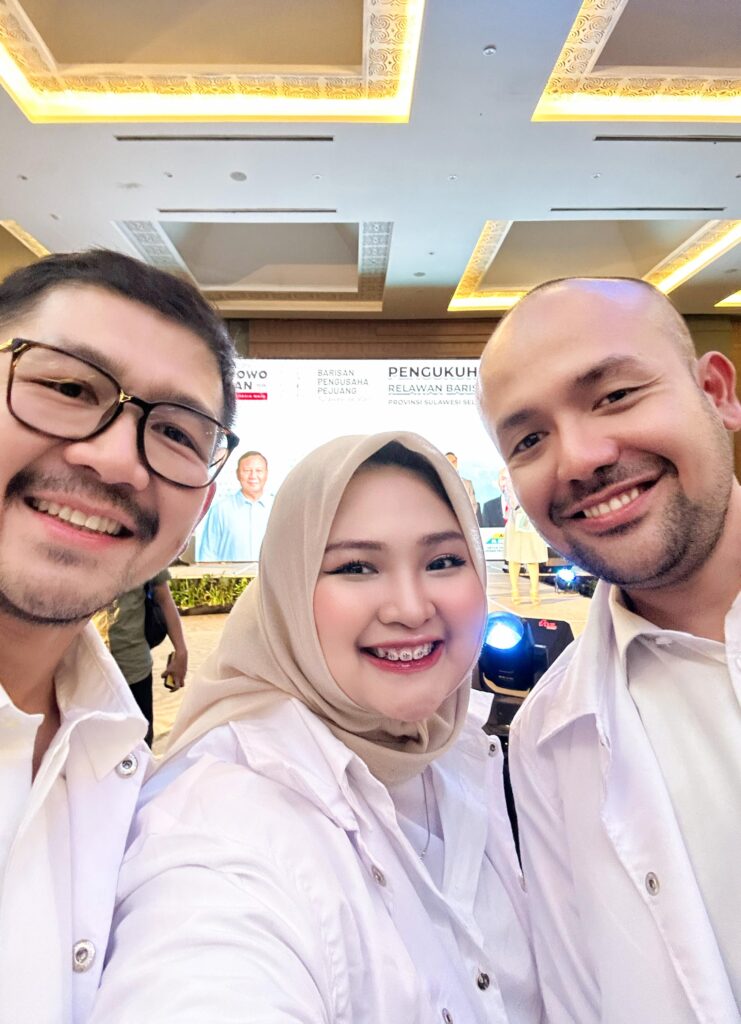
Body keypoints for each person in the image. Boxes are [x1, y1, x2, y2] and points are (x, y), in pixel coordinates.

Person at [92, 432, 544, 1023]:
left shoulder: (464, 751)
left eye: (443, 562)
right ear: (288, 587)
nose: (410, 608)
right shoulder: (219, 833)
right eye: (356, 567)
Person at [477, 276, 741, 1023]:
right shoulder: (546, 738)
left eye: (616, 395)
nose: (579, 459)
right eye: (529, 439)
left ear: (716, 392)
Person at [0, 248, 238, 1022]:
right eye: (68, 388)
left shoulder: (124, 762)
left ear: (198, 512)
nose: (115, 461)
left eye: (175, 434)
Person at [108, 570, 188, 746]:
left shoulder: (144, 552)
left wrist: (181, 652)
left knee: (140, 744)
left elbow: (164, 598)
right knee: (92, 746)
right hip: (86, 670)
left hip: (134, 668)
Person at [196, 449, 273, 561]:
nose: (253, 476)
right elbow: (207, 554)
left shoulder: (276, 508)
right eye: (247, 470)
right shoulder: (220, 510)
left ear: (266, 474)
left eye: (259, 470)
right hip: (229, 573)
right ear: (237, 474)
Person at [499, 466, 548, 606]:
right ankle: (515, 592)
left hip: (531, 520)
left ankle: (534, 593)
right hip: (515, 518)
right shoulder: (505, 473)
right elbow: (506, 494)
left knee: (532, 558)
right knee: (514, 558)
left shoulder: (534, 472)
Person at [445, 449, 480, 519]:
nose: (452, 464)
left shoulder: (468, 484)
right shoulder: (441, 483)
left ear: (457, 461)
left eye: (454, 462)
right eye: (449, 462)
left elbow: (473, 506)